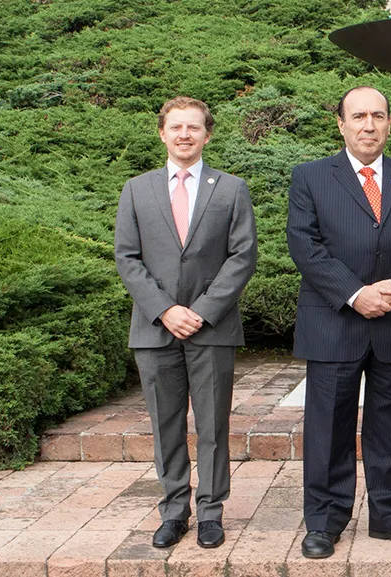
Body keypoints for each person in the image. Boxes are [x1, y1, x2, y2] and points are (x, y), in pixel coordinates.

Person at [287, 86, 391, 559]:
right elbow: (304, 244)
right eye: (358, 116)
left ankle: (390, 515)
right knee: (328, 427)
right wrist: (355, 294)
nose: (369, 125)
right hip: (334, 323)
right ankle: (325, 519)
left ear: (390, 123)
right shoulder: (311, 177)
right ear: (341, 124)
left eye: (378, 115)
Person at [114, 96, 258, 549]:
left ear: (207, 134)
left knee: (213, 424)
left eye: (193, 127)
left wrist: (201, 309)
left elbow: (243, 256)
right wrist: (165, 309)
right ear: (162, 133)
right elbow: (127, 258)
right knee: (167, 424)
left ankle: (211, 512)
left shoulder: (231, 189)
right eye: (176, 127)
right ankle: (174, 511)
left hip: (211, 327)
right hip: (155, 329)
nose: (184, 135)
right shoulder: (136, 190)